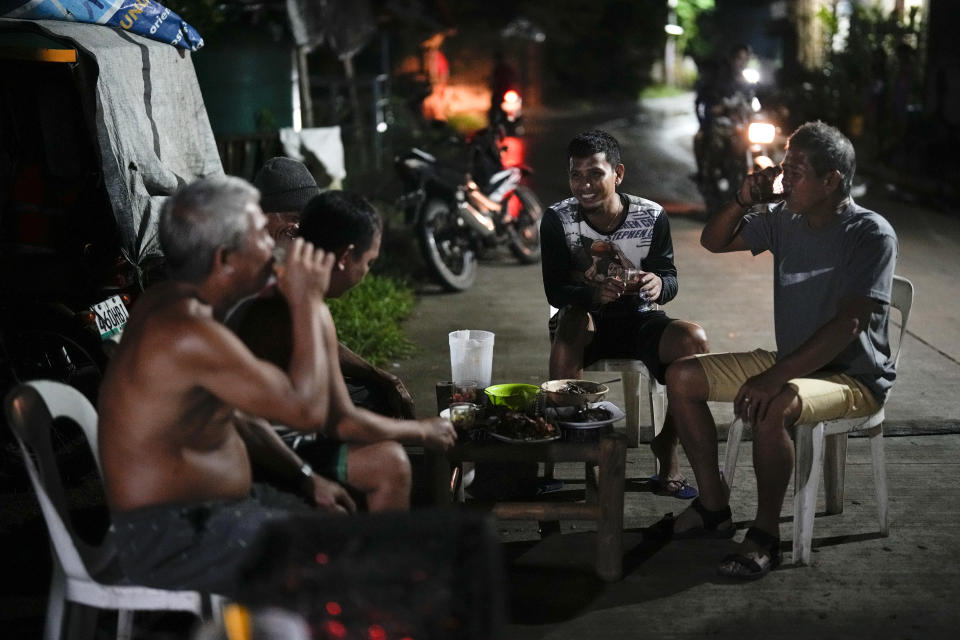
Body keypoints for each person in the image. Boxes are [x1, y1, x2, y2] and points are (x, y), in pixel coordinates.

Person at [97, 176, 454, 596]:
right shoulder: (188, 331)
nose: (274, 250)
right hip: (175, 537)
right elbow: (310, 412)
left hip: (205, 517)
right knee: (355, 560)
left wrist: (305, 477)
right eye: (260, 240)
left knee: (347, 529)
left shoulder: (184, 307)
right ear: (225, 258)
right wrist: (305, 300)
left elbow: (239, 418)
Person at [666, 121, 898, 580]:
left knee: (775, 404)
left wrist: (776, 377)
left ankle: (766, 536)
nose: (782, 180)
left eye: (796, 172)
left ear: (831, 180)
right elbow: (713, 241)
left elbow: (849, 324)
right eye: (783, 169)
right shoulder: (785, 221)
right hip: (794, 363)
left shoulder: (870, 233)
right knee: (682, 377)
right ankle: (713, 505)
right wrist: (742, 200)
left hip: (853, 377)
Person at [231, 190, 452, 511]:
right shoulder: (300, 299)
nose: (366, 273)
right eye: (369, 262)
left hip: (259, 428)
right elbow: (342, 421)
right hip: (254, 446)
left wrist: (383, 381)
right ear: (346, 256)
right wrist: (423, 430)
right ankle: (382, 559)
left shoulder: (279, 269)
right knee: (391, 463)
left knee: (378, 425)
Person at [541, 129, 709, 499]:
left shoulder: (651, 216)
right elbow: (555, 290)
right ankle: (590, 459)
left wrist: (657, 284)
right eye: (575, 174)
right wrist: (591, 292)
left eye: (594, 173)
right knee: (569, 323)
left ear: (617, 173)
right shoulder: (558, 220)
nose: (584, 184)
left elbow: (669, 277)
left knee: (693, 340)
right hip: (586, 321)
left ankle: (667, 447)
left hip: (640, 319)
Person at [693, 43, 754, 183]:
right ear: (731, 59)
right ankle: (710, 177)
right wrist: (718, 110)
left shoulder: (748, 82)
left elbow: (759, 98)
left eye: (746, 59)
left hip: (743, 126)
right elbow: (707, 102)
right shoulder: (718, 79)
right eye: (739, 58)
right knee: (716, 146)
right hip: (722, 125)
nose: (742, 62)